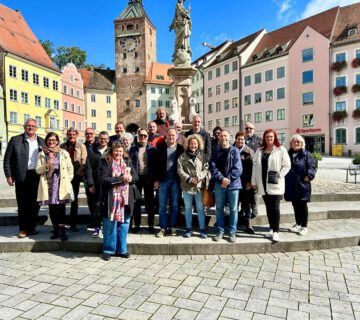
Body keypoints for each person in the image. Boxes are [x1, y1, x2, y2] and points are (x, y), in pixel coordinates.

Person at [3, 118, 45, 238]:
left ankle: (32, 227)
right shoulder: (15, 140)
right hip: (21, 175)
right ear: (24, 127)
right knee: (23, 204)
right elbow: (7, 159)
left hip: (37, 175)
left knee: (35, 203)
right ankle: (23, 229)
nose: (30, 127)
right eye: (28, 125)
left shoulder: (41, 141)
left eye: (33, 126)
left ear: (36, 128)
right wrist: (9, 175)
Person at [98, 142, 138, 261]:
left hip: (125, 198)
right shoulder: (105, 162)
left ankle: (122, 249)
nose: (118, 153)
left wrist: (131, 178)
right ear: (111, 151)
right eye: (116, 151)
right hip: (111, 198)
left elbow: (136, 177)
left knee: (124, 224)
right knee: (109, 224)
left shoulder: (128, 162)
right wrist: (120, 179)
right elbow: (103, 179)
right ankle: (108, 250)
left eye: (120, 151)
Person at [251, 129, 291, 242]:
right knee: (268, 208)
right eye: (267, 137)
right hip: (263, 184)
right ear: (264, 138)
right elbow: (254, 167)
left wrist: (280, 175)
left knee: (275, 208)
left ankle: (276, 232)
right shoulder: (259, 150)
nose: (269, 139)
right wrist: (253, 181)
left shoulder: (281, 149)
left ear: (275, 138)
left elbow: (287, 165)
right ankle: (271, 228)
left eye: (271, 137)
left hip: (275, 184)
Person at [36, 133, 73, 241]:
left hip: (61, 183)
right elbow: (38, 170)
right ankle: (56, 230)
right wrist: (46, 166)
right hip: (48, 184)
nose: (51, 142)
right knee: (52, 209)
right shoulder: (42, 153)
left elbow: (70, 168)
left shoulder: (63, 153)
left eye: (53, 140)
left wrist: (68, 179)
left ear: (57, 141)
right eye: (49, 140)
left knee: (61, 209)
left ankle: (62, 231)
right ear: (46, 141)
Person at [210, 130, 242, 243]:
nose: (223, 138)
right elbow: (213, 167)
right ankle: (220, 231)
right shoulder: (216, 151)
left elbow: (238, 168)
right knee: (219, 209)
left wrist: (227, 179)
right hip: (219, 184)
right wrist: (221, 179)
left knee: (233, 209)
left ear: (229, 137)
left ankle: (232, 232)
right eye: (221, 136)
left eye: (225, 136)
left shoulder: (235, 150)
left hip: (233, 185)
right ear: (219, 138)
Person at [177, 134, 208, 238]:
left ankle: (202, 229)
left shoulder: (202, 156)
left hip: (199, 186)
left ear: (198, 144)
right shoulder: (182, 156)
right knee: (188, 208)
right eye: (191, 143)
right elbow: (179, 170)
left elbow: (206, 169)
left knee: (200, 208)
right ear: (188, 144)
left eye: (195, 144)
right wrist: (189, 178)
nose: (193, 145)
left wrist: (199, 177)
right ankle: (188, 228)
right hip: (187, 186)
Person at [285, 134, 316, 236]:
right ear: (291, 143)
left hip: (302, 184)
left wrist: (309, 175)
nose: (296, 143)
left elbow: (312, 166)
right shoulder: (287, 154)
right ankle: (298, 224)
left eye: (298, 142)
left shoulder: (306, 154)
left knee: (302, 205)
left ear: (302, 144)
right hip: (291, 183)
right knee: (295, 204)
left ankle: (304, 226)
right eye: (294, 141)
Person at [155, 128, 184, 237]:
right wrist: (156, 180)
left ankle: (172, 227)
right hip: (163, 181)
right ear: (166, 136)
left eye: (173, 135)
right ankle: (162, 228)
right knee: (162, 205)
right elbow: (155, 165)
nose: (171, 137)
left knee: (175, 205)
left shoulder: (181, 149)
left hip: (176, 181)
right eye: (169, 135)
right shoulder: (160, 148)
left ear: (176, 136)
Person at [129, 128, 157, 233]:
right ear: (137, 136)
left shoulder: (152, 149)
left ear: (148, 137)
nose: (143, 137)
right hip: (137, 178)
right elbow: (129, 164)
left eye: (145, 136)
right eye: (141, 135)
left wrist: (155, 179)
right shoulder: (133, 149)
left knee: (150, 202)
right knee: (137, 203)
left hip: (148, 178)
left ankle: (151, 224)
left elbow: (155, 166)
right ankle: (137, 224)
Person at [60, 127, 87, 232]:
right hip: (63, 177)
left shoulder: (81, 146)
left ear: (77, 135)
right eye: (69, 134)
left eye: (73, 134)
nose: (71, 136)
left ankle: (73, 223)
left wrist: (76, 174)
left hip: (75, 176)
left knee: (74, 200)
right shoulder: (62, 146)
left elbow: (83, 162)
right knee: (61, 200)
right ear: (67, 135)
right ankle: (61, 222)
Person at [86, 131, 110, 238]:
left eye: (105, 139)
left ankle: (106, 228)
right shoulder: (92, 152)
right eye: (101, 138)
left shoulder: (111, 151)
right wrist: (90, 184)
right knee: (97, 207)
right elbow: (89, 169)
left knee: (108, 206)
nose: (103, 140)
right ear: (98, 139)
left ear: (108, 140)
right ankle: (97, 228)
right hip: (96, 184)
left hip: (108, 184)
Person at [234, 131, 255, 234]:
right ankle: (233, 224)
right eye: (238, 139)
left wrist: (249, 182)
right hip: (234, 182)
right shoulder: (231, 150)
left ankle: (249, 225)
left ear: (244, 140)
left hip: (245, 182)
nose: (240, 141)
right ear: (235, 139)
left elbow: (252, 168)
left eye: (242, 139)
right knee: (235, 204)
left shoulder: (249, 151)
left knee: (246, 204)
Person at [244, 122, 262, 216]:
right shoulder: (241, 139)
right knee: (245, 191)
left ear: (254, 130)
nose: (248, 130)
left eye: (250, 128)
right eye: (247, 128)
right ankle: (244, 209)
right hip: (243, 170)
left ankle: (254, 208)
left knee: (254, 189)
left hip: (254, 169)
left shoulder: (259, 141)